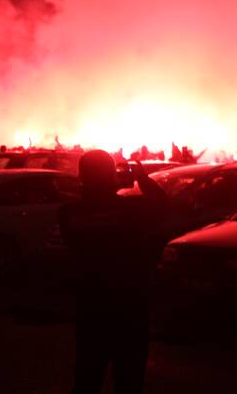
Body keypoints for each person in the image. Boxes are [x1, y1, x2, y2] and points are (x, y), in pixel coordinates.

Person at [59, 150, 169, 394]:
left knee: (87, 379)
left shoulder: (69, 214)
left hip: (92, 307)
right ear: (112, 176)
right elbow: (162, 205)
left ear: (81, 177)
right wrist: (142, 177)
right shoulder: (131, 210)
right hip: (130, 307)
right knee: (129, 381)